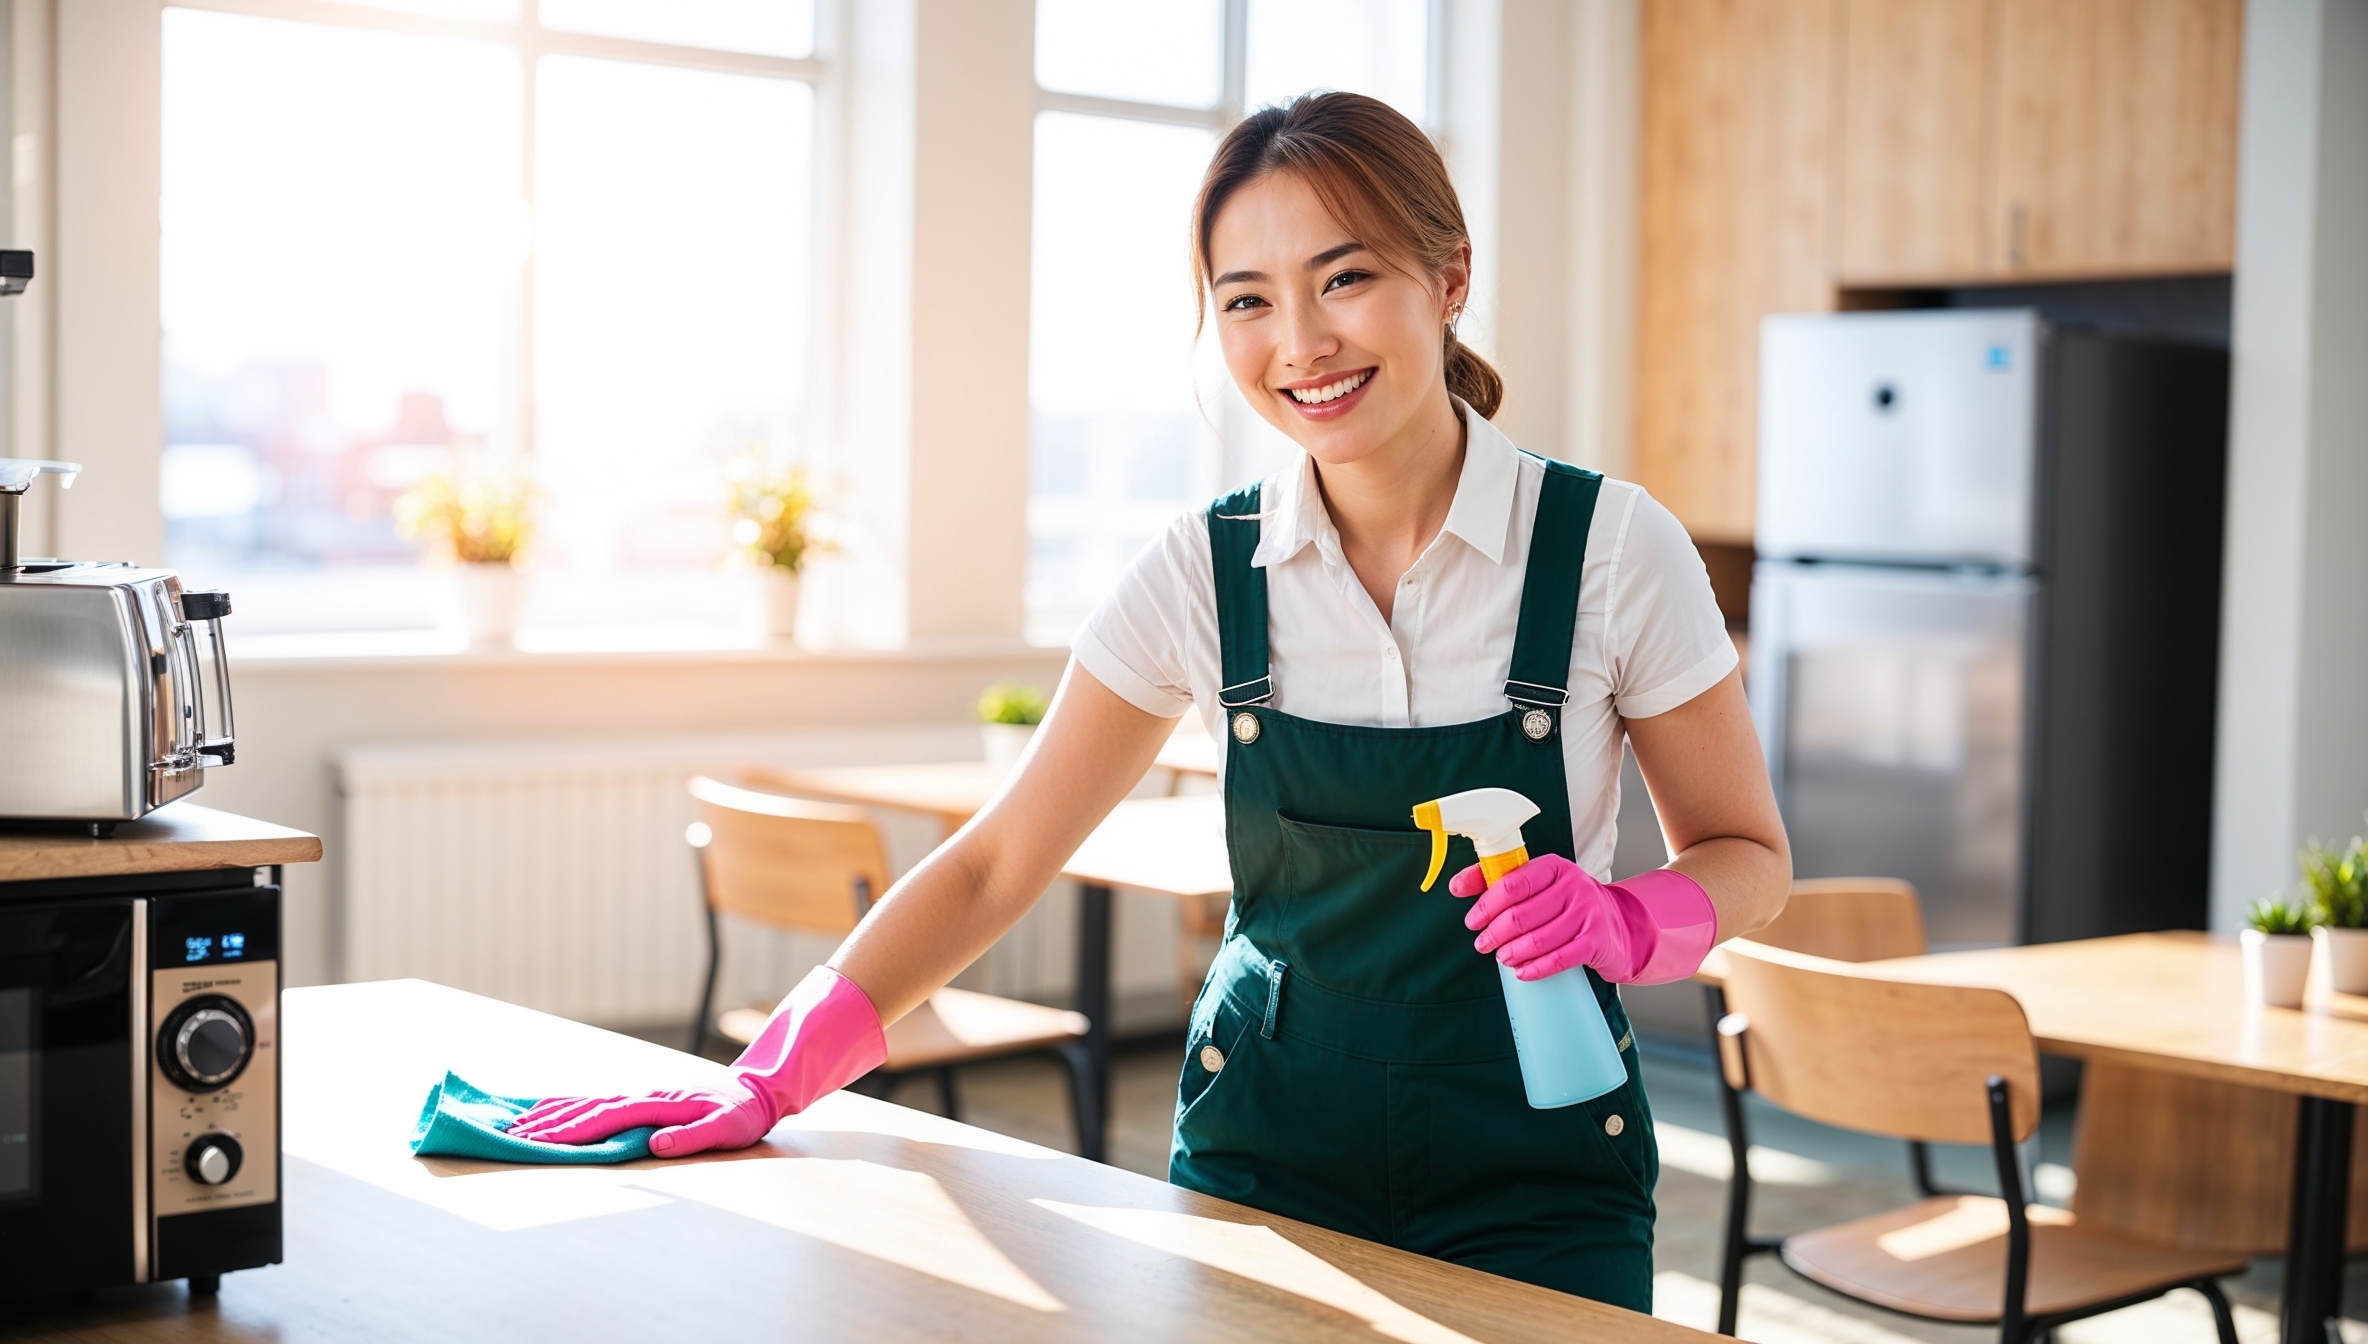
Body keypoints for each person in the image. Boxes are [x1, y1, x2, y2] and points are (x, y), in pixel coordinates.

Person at [512, 91, 1790, 1311]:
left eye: (1344, 278)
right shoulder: (1201, 570)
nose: (1301, 345)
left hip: (1541, 1178)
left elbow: (1748, 857)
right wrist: (775, 1075)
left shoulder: (1614, 551)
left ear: (1449, 277)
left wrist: (1632, 920)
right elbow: (998, 863)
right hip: (1264, 1160)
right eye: (1248, 301)